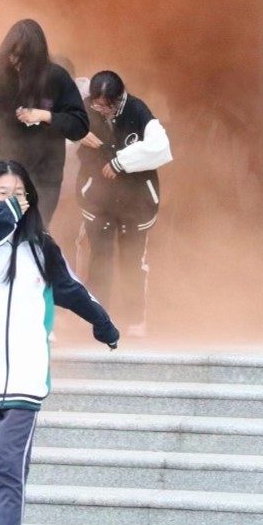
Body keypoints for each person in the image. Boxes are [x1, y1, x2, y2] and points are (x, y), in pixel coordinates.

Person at [0, 159, 119, 525]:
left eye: (19, 194)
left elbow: (73, 290)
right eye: (3, 193)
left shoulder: (42, 247)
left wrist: (102, 323)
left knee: (7, 470)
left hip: (25, 380)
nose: (12, 200)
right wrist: (3, 218)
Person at [0, 20, 89, 224]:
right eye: (13, 55)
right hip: (7, 173)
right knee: (1, 228)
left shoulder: (56, 78)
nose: (16, 62)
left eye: (24, 57)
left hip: (45, 176)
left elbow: (80, 125)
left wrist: (45, 116)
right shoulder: (0, 78)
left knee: (35, 230)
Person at [76, 70, 172, 338]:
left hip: (136, 200)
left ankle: (135, 318)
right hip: (97, 198)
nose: (103, 111)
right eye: (98, 105)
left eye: (109, 105)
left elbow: (161, 147)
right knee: (99, 258)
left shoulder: (137, 110)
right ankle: (97, 318)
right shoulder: (84, 109)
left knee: (133, 260)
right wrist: (76, 133)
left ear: (120, 98)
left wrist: (122, 162)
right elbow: (60, 129)